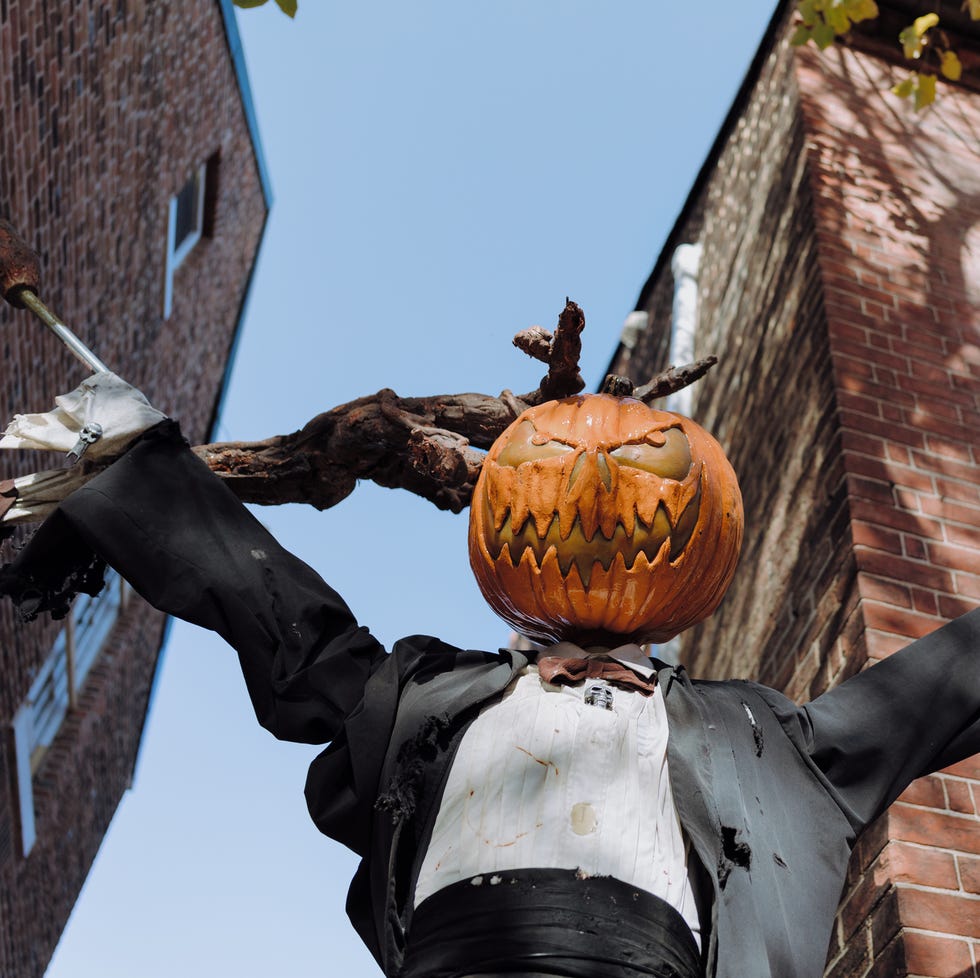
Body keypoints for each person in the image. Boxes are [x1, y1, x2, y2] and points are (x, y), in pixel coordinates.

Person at [1, 374, 977, 978]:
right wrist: (136, 461)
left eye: (642, 472)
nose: (596, 496)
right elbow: (281, 619)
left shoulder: (760, 742)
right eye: (555, 465)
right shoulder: (428, 703)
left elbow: (942, 684)